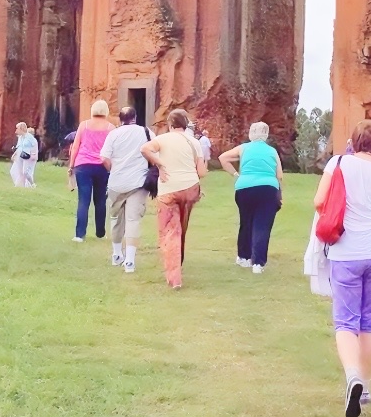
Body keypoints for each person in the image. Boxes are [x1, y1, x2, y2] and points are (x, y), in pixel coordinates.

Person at [313, 120, 371, 417]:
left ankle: (352, 375)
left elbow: (319, 201)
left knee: (345, 322)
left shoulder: (338, 163)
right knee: (369, 322)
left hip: (347, 251)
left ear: (353, 141)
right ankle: (364, 386)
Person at [141, 109, 207, 289]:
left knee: (171, 231)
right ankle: (179, 261)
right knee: (182, 229)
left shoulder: (162, 139)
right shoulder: (194, 142)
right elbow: (201, 172)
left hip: (169, 188)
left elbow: (145, 149)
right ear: (186, 124)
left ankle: (174, 277)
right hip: (190, 187)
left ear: (170, 124)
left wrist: (160, 163)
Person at [219, 122, 282, 273]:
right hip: (267, 188)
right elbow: (279, 175)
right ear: (266, 134)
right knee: (262, 225)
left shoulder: (243, 148)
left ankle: (244, 257)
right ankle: (258, 264)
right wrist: (279, 195)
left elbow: (223, 158)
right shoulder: (272, 151)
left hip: (244, 188)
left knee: (245, 222)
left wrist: (236, 174)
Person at [101, 106, 151, 273]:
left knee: (116, 219)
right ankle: (129, 261)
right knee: (133, 221)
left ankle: (116, 255)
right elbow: (155, 150)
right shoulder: (146, 132)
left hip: (116, 182)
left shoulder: (113, 134)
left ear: (120, 119)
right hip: (138, 182)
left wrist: (112, 169)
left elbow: (104, 158)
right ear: (135, 117)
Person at [68, 101, 115, 242]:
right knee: (100, 200)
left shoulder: (84, 125)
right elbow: (113, 150)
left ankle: (79, 234)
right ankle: (100, 233)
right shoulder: (111, 128)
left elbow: (75, 146)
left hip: (83, 165)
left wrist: (71, 165)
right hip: (102, 165)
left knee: (83, 200)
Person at [9, 122, 38, 188]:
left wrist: (33, 155)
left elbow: (34, 146)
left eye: (17, 129)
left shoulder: (29, 137)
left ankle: (32, 184)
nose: (16, 130)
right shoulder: (21, 138)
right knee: (18, 171)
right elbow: (19, 146)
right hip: (21, 155)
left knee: (25, 172)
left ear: (21, 129)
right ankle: (19, 185)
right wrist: (14, 154)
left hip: (28, 156)